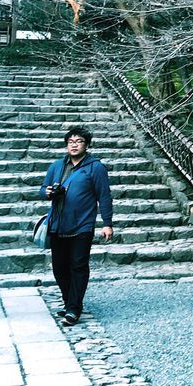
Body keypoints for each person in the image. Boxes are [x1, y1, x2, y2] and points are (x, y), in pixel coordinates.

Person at [40, 125, 113, 326]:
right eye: (70, 142)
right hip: (58, 224)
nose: (74, 145)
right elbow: (42, 188)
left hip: (82, 225)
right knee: (59, 268)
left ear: (86, 145)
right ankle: (69, 301)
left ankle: (74, 308)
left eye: (79, 141)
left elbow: (104, 196)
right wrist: (46, 192)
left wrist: (107, 223)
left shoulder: (95, 167)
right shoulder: (57, 166)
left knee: (78, 266)